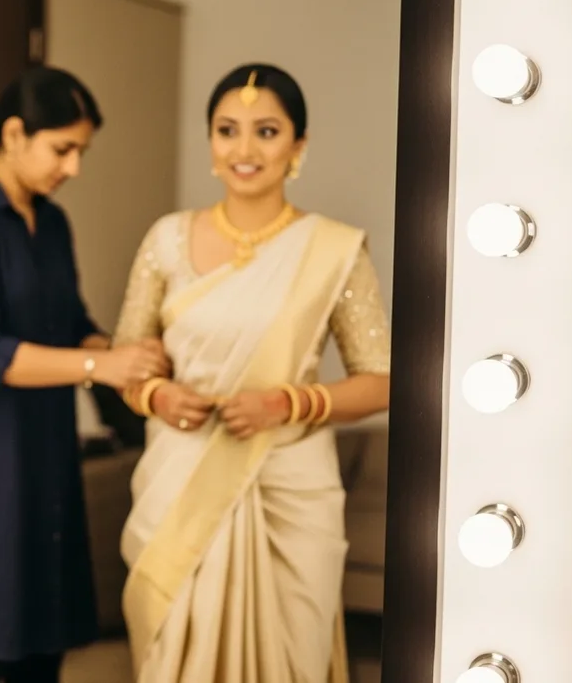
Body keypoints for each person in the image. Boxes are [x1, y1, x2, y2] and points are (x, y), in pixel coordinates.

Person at [115, 63, 392, 682]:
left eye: (266, 131)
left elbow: (380, 381)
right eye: (227, 130)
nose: (244, 149)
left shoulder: (334, 250)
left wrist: (287, 404)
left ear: (298, 146)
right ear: (210, 142)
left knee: (290, 653)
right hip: (180, 477)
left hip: (289, 488)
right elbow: (129, 361)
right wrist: (157, 396)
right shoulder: (166, 239)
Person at [0, 67, 171, 683]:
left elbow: (71, 322)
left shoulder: (52, 223)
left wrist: (128, 355)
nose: (74, 167)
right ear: (13, 134)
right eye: (64, 149)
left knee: (44, 644)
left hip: (47, 453)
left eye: (81, 151)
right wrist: (99, 363)